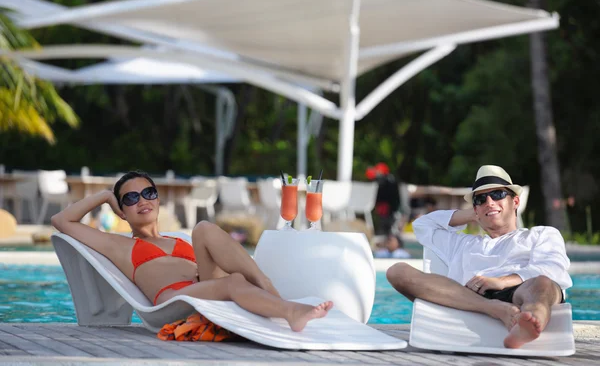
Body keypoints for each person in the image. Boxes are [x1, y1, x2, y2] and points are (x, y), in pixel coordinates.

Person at [51, 170, 333, 332]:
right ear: (122, 211)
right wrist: (103, 195)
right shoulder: (120, 245)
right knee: (233, 281)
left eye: (148, 193)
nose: (142, 201)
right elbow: (61, 221)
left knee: (204, 228)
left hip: (204, 286)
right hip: (173, 300)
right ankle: (288, 310)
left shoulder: (180, 240)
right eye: (130, 198)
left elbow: (212, 261)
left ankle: (267, 287)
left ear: (158, 199)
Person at [386, 165, 571, 349]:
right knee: (397, 271)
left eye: (497, 195)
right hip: (471, 298)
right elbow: (422, 225)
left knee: (544, 284)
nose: (489, 202)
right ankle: (497, 310)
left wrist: (502, 281)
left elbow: (552, 269)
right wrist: (478, 213)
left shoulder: (540, 234)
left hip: (521, 292)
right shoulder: (463, 244)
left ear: (515, 202)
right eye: (481, 199)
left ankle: (527, 324)